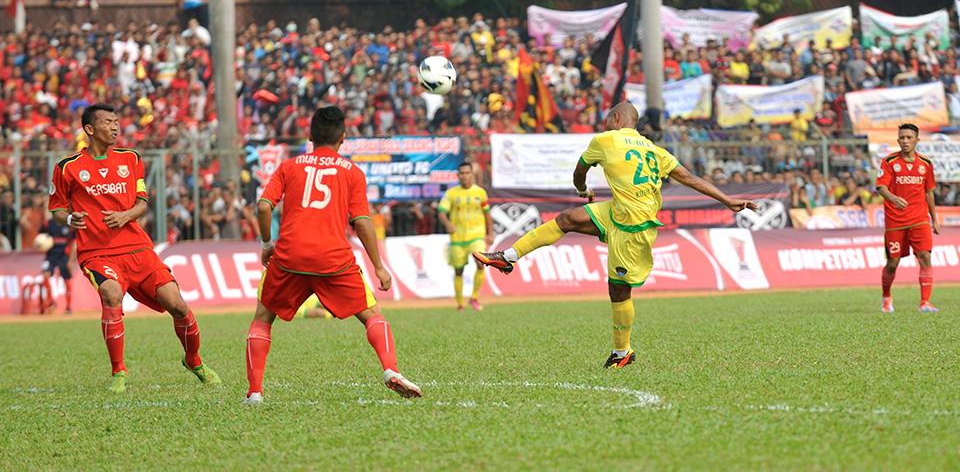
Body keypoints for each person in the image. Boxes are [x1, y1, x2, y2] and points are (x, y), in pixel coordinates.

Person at [474, 102, 757, 368]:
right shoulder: (654, 149)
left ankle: (622, 352)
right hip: (621, 210)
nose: (605, 123)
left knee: (619, 290)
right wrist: (726, 199)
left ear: (618, 119)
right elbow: (690, 178)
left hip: (632, 225)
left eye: (608, 118)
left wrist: (582, 189)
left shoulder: (605, 140)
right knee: (568, 219)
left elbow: (579, 171)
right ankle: (508, 257)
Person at [247, 106, 421, 404]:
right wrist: (379, 267)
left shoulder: (290, 166)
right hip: (333, 259)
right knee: (372, 316)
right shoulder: (352, 172)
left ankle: (255, 393)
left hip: (290, 257)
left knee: (262, 319)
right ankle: (390, 369)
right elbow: (362, 222)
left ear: (310, 135)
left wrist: (266, 244)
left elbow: (264, 206)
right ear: (343, 138)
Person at [48, 104, 220, 393]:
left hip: (138, 249)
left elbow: (142, 202)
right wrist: (68, 217)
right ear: (90, 129)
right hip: (97, 253)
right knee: (110, 292)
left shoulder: (131, 159)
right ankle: (119, 372)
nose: (115, 127)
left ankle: (194, 360)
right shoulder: (67, 168)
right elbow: (55, 208)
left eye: (116, 122)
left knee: (177, 304)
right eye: (107, 122)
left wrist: (126, 216)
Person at [875, 123, 940, 313]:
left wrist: (934, 219)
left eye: (909, 138)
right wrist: (894, 198)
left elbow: (929, 193)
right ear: (897, 140)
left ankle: (925, 302)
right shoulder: (889, 161)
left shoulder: (926, 164)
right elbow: (880, 187)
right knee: (893, 262)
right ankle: (886, 297)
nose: (905, 141)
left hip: (919, 218)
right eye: (902, 138)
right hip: (895, 221)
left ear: (917, 140)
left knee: (925, 257)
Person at [437, 162, 494, 311]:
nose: (464, 176)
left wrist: (490, 233)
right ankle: (460, 303)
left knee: (481, 262)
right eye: (461, 173)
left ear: (472, 174)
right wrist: (448, 224)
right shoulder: (452, 193)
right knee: (458, 270)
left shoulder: (480, 192)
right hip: (457, 239)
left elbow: (487, 213)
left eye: (467, 173)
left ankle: (474, 298)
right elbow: (441, 211)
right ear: (458, 175)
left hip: (477, 236)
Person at [39, 217, 76, 314]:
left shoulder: (69, 225)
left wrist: (71, 261)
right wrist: (41, 245)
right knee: (45, 275)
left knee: (67, 279)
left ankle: (68, 307)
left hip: (64, 256)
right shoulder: (48, 223)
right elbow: (40, 238)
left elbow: (74, 243)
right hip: (50, 255)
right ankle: (51, 302)